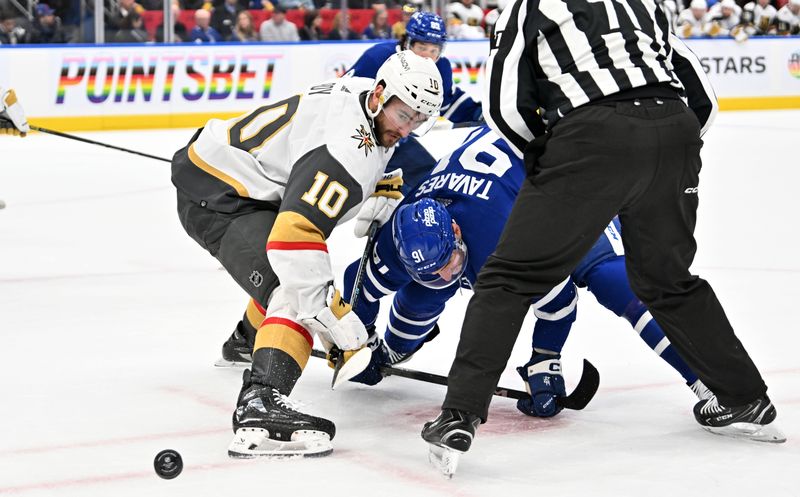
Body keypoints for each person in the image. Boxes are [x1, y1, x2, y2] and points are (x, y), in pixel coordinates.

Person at [422, 0, 785, 465]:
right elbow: (701, 95)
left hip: (591, 136)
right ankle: (744, 396)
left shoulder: (527, 7)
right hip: (673, 131)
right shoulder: (644, 4)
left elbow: (504, 104)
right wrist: (668, 150)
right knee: (668, 280)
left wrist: (544, 157)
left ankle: (459, 415)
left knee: (509, 278)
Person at [170, 50, 443, 458]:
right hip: (220, 194)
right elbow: (293, 238)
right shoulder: (344, 152)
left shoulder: (364, 95)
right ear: (381, 94)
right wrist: (335, 319)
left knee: (292, 274)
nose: (407, 129)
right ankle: (261, 401)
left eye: (419, 121)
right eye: (404, 116)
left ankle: (249, 340)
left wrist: (376, 185)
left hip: (237, 172)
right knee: (294, 288)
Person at [340, 125, 711, 412]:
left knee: (605, 276)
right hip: (503, 174)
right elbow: (359, 286)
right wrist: (362, 340)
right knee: (425, 289)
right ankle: (393, 347)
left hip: (568, 175)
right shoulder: (397, 240)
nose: (447, 275)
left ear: (455, 231)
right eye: (433, 270)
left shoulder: (500, 241)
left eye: (449, 263)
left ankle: (707, 378)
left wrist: (544, 360)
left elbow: (560, 300)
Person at [344, 11, 483, 194]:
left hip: (400, 134)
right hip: (366, 135)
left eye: (434, 50)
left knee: (429, 180)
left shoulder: (440, 67)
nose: (427, 56)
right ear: (407, 42)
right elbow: (346, 94)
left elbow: (447, 102)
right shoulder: (377, 57)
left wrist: (481, 114)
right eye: (422, 47)